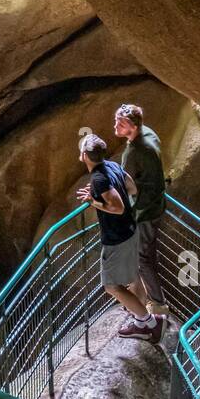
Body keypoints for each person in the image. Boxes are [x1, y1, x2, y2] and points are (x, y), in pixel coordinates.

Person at [76, 133, 163, 343]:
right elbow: (132, 188)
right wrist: (101, 193)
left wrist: (92, 201)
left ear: (85, 156)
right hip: (131, 229)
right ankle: (140, 320)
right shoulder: (111, 166)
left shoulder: (98, 178)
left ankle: (149, 322)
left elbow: (117, 207)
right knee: (133, 274)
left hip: (116, 238)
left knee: (111, 286)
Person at [114, 102, 167, 316]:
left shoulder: (136, 151)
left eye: (121, 123)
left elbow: (128, 184)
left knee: (143, 257)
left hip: (145, 213)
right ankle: (141, 293)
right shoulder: (147, 134)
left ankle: (157, 304)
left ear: (133, 127)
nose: (116, 126)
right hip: (155, 207)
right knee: (146, 256)